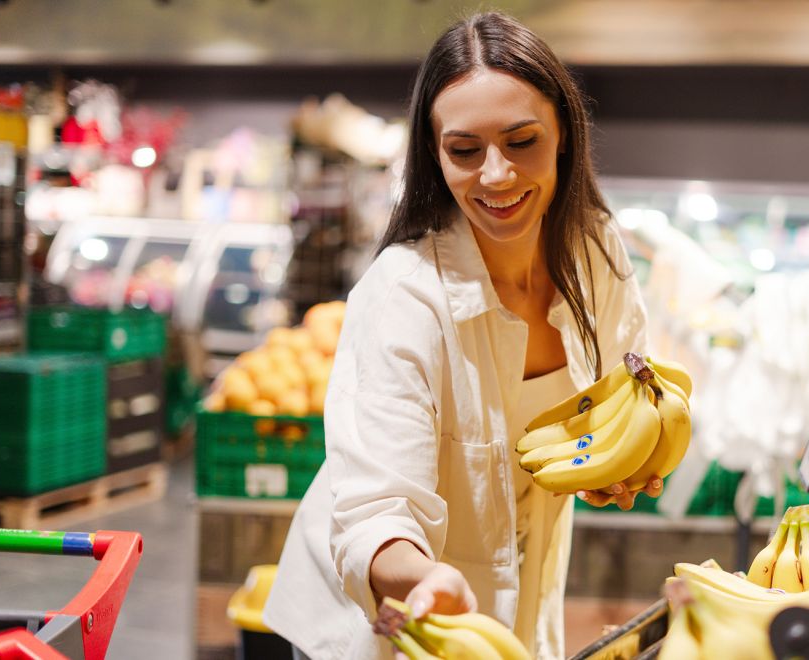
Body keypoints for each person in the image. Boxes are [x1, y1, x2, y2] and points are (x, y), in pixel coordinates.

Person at [263, 12, 662, 660]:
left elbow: (625, 385)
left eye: (522, 140)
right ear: (434, 154)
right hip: (393, 623)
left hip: (519, 610)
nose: (496, 175)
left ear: (563, 133)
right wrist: (423, 577)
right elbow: (374, 511)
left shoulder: (598, 258)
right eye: (465, 150)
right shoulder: (403, 297)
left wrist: (618, 463)